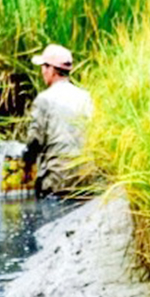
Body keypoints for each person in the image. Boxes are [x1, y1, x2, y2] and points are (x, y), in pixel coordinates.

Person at [23, 43, 95, 199]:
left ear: (51, 70)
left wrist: (26, 162)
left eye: (43, 67)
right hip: (87, 180)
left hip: (57, 182)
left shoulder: (44, 99)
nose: (42, 71)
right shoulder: (85, 97)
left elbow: (34, 142)